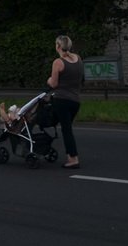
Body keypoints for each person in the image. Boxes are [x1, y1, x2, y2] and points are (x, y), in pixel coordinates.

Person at [47, 35, 83, 169]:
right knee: (66, 128)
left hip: (61, 100)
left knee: (64, 129)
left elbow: (54, 84)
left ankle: (73, 159)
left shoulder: (58, 62)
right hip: (75, 101)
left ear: (57, 46)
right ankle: (71, 156)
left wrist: (48, 80)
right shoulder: (78, 58)